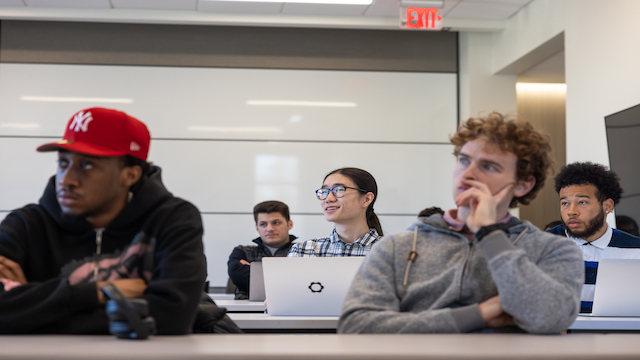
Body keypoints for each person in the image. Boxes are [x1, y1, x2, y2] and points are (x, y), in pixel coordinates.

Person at [339, 112, 584, 334]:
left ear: (522, 184)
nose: (467, 174)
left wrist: (489, 234)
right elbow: (356, 326)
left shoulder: (553, 249)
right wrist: (479, 315)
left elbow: (551, 318)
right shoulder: (396, 246)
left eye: (488, 166)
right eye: (464, 160)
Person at [0, 107, 206, 334]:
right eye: (63, 163)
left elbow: (172, 318)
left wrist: (33, 306)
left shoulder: (171, 219)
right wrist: (97, 292)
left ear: (130, 175)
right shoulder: (26, 225)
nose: (66, 180)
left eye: (86, 165)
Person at [547, 162, 640, 313]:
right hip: (555, 335)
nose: (571, 211)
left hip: (619, 335)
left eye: (582, 202)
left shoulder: (636, 250)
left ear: (607, 206)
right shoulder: (541, 246)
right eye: (565, 203)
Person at [288, 167, 382, 257]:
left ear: (366, 199)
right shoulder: (304, 251)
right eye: (324, 191)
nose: (328, 199)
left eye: (338, 190)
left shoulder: (390, 251)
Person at [227, 200, 297, 299]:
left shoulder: (303, 250)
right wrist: (289, 275)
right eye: (263, 224)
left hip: (291, 308)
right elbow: (239, 277)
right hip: (246, 310)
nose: (269, 229)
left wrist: (255, 271)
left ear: (289, 224)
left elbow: (306, 283)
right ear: (257, 228)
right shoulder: (242, 251)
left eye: (276, 223)